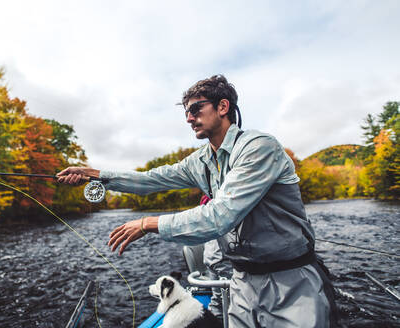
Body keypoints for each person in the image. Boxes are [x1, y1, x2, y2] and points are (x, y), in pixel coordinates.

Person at [57, 75, 337, 328]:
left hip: (290, 282)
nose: (189, 118)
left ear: (223, 107)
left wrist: (147, 223)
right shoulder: (201, 160)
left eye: (195, 109)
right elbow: (152, 179)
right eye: (186, 112)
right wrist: (94, 175)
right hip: (241, 283)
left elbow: (220, 216)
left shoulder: (259, 147)